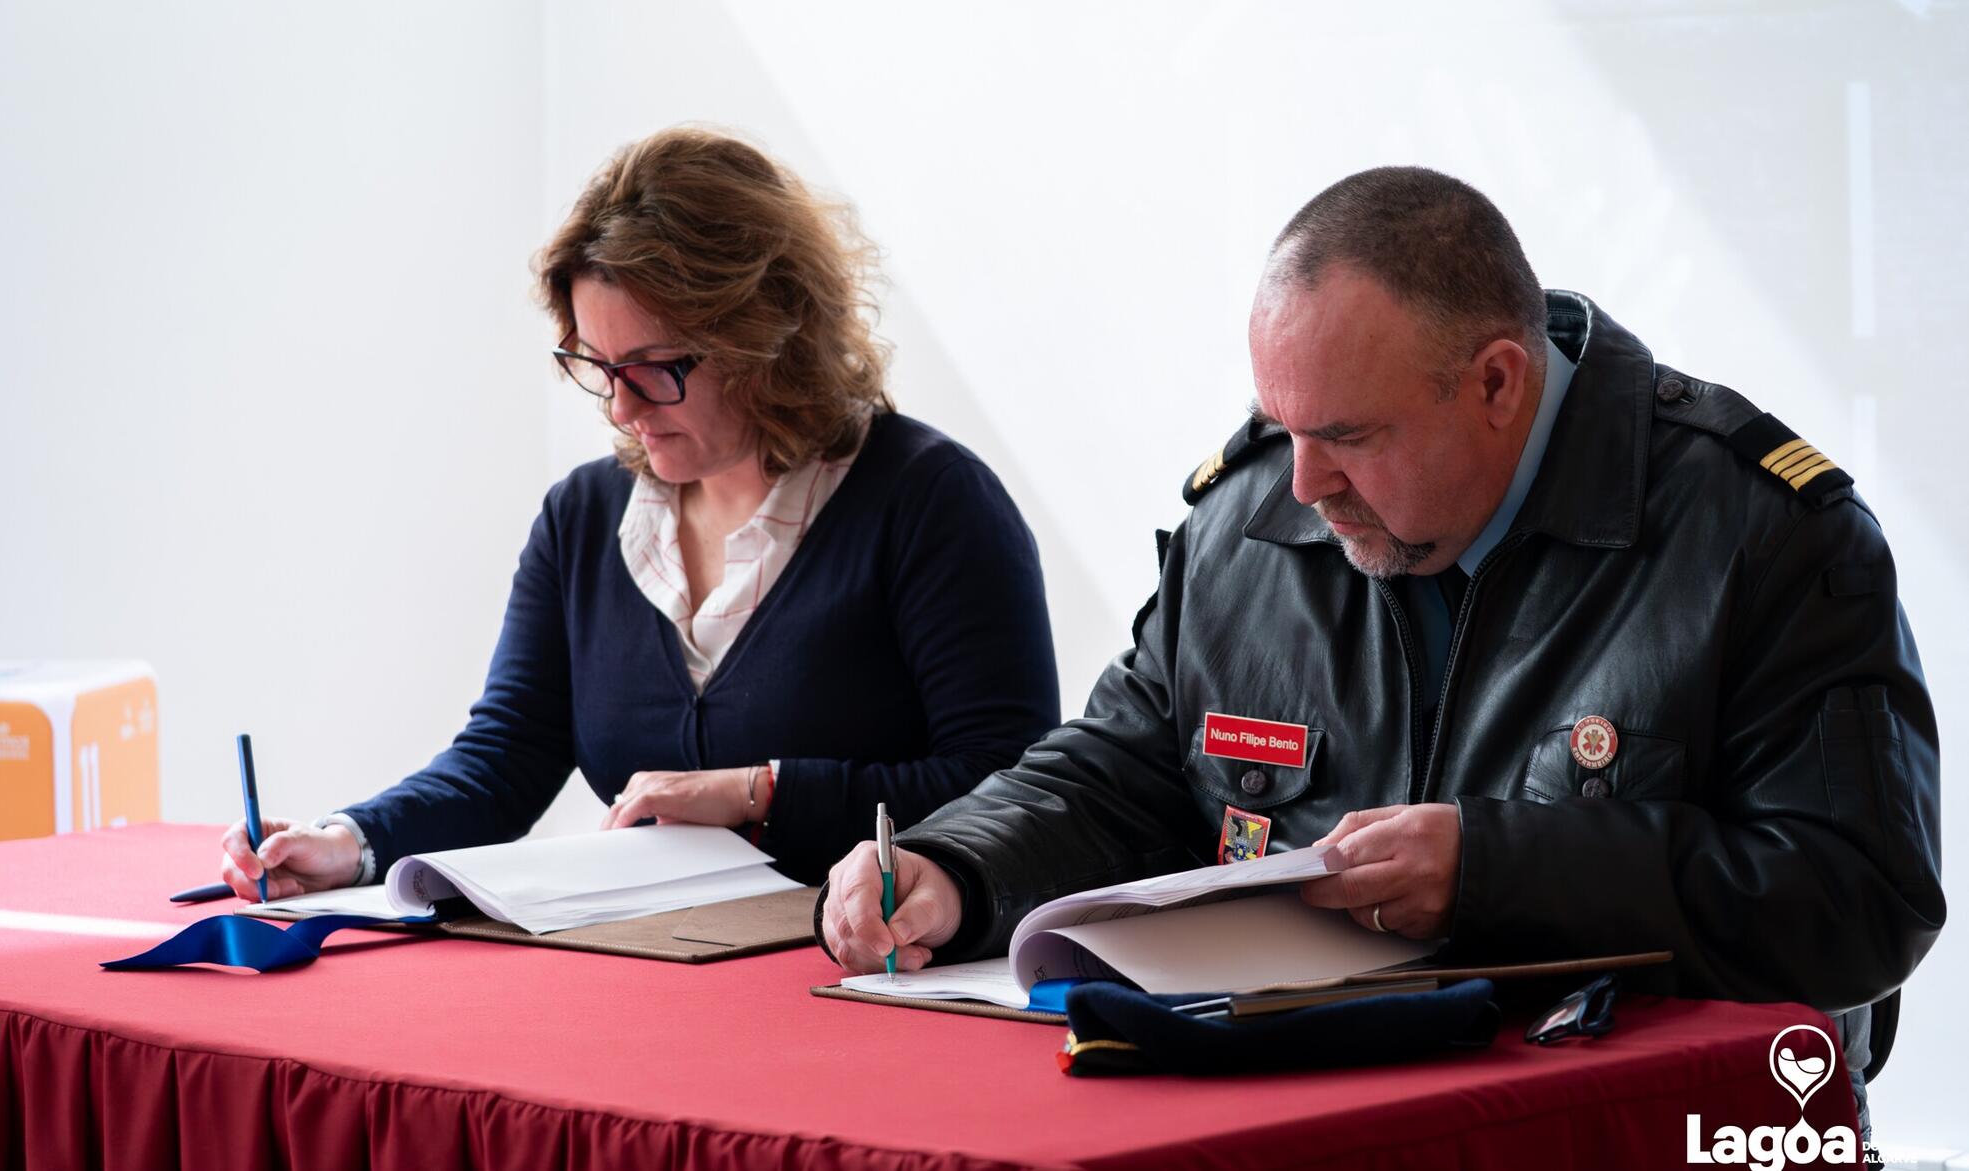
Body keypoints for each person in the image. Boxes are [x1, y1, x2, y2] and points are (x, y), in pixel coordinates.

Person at [821, 166, 1942, 1111]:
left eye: (1346, 436)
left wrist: (1495, 871)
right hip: (1305, 1118)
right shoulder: (1245, 524)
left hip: (1623, 1128)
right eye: (1280, 426)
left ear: (1496, 382)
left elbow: (1858, 899)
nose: (1303, 486)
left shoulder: (1766, 536)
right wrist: (956, 862)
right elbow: (1119, 769)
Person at [218, 126, 1059, 893]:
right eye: (597, 365)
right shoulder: (583, 518)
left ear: (766, 337)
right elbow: (506, 756)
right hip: (652, 972)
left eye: (656, 367)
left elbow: (1012, 789)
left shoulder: (932, 503)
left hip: (862, 975)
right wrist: (351, 840)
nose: (621, 408)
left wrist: (762, 793)